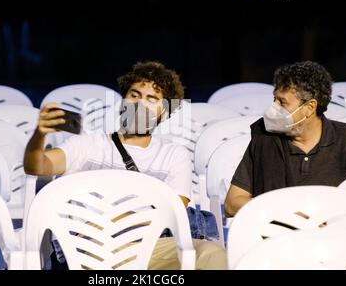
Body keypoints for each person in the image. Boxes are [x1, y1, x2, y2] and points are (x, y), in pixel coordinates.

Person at [24, 61, 227, 269]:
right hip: (93, 246)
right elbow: (37, 167)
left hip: (152, 245)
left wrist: (111, 220)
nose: (140, 104)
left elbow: (172, 211)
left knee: (211, 254)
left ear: (165, 112)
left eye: (151, 99)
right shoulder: (89, 145)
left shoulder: (174, 155)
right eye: (134, 95)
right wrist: (40, 134)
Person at [224, 61, 346, 217]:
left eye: (282, 102)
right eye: (274, 100)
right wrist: (285, 212)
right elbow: (232, 203)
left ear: (309, 108)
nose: (273, 109)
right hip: (276, 235)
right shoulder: (264, 138)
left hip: (333, 234)